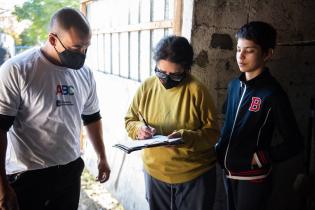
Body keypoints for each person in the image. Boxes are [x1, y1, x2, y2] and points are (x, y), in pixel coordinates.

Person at [0, 8, 110, 210]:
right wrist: (2, 186)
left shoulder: (84, 74)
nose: (82, 54)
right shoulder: (17, 70)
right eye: (76, 48)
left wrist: (102, 156)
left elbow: (92, 117)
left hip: (70, 170)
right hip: (28, 175)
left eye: (86, 47)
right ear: (52, 40)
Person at [215, 21, 304, 210]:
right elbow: (229, 123)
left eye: (250, 50)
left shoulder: (272, 94)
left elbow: (295, 142)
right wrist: (219, 147)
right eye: (239, 49)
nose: (241, 56)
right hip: (228, 171)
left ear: (267, 54)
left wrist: (259, 159)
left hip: (253, 177)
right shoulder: (233, 86)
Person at [125, 35, 219, 210]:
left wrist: (186, 138)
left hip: (193, 177)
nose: (166, 79)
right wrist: (139, 130)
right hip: (155, 174)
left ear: (186, 69)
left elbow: (212, 133)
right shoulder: (147, 87)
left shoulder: (197, 91)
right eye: (161, 73)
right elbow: (130, 120)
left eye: (175, 75)